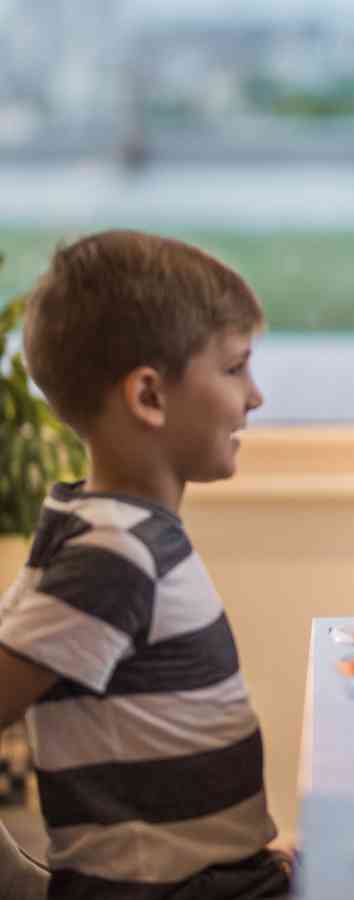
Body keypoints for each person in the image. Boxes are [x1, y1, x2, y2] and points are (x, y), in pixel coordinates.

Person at [0, 231, 291, 897]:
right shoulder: (115, 552)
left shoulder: (114, 533)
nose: (255, 396)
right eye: (233, 368)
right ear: (149, 396)